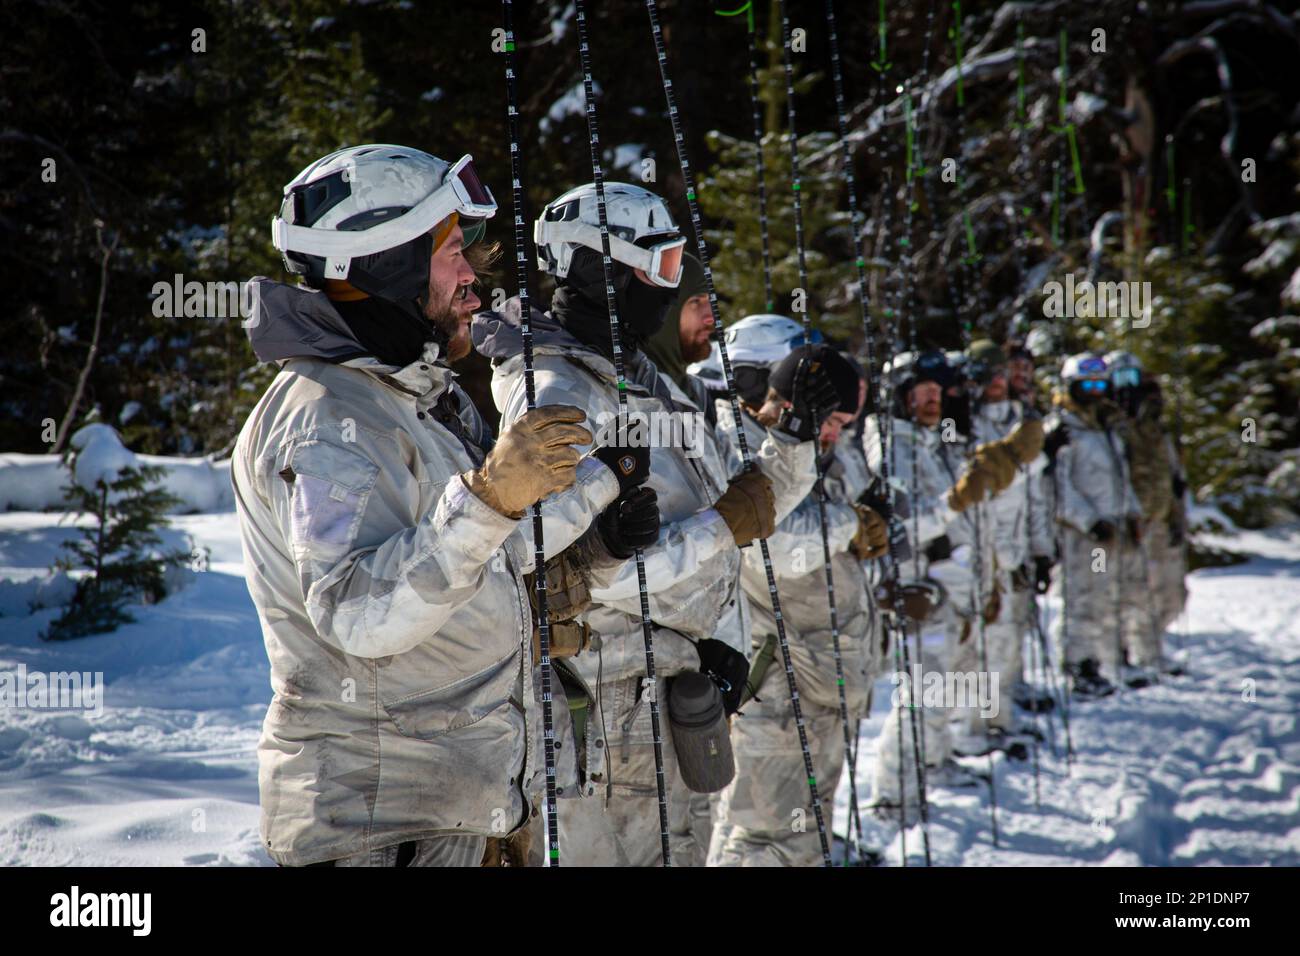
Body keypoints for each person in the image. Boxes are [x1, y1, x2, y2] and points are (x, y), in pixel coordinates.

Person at [232, 144, 647, 867]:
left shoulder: (414, 398)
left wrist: (594, 502)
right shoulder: (329, 418)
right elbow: (358, 611)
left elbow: (475, 547)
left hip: (456, 814)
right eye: (453, 251)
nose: (472, 277)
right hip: (381, 831)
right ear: (386, 263)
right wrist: (489, 499)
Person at [474, 183, 828, 865]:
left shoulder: (639, 382)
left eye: (678, 268)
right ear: (596, 270)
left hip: (662, 687)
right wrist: (721, 530)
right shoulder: (558, 392)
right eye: (657, 268)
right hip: (603, 712)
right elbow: (569, 569)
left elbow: (731, 510)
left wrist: (797, 438)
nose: (669, 290)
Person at [707, 330, 886, 866]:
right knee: (763, 839)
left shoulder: (819, 452)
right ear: (792, 402)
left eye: (845, 427)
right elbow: (774, 549)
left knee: (799, 827)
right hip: (777, 686)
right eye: (832, 421)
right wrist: (849, 523)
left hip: (821, 681)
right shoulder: (740, 445)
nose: (836, 435)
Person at [862, 350, 1039, 820]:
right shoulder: (892, 446)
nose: (931, 399)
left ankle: (935, 763)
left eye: (938, 391)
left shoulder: (938, 442)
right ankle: (894, 793)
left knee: (944, 691)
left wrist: (987, 580)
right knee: (921, 696)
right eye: (920, 390)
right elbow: (899, 527)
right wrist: (953, 502)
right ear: (899, 395)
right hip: (920, 593)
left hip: (956, 592)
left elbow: (972, 514)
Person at [952, 340, 1055, 755]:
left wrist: (1040, 550)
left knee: (1005, 641)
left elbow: (1035, 496)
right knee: (973, 646)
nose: (995, 384)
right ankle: (967, 728)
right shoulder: (961, 422)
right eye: (986, 376)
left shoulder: (1022, 421)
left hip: (1012, 552)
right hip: (975, 552)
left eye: (1001, 376)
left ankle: (998, 719)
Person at [1045, 351, 1144, 698]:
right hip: (1085, 534)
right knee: (1083, 597)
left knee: (1110, 595)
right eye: (1085, 385)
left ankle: (1109, 658)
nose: (1094, 391)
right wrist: (1090, 521)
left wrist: (1132, 513)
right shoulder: (1063, 429)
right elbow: (1059, 487)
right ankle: (1078, 663)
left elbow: (1120, 477)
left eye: (1099, 384)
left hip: (1114, 527)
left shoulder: (1106, 427)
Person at [1106, 350, 1188, 683]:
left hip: (1161, 514)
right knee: (1129, 591)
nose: (1127, 387)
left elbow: (1172, 472)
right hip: (1128, 519)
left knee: (1171, 592)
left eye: (1132, 378)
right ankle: (1124, 652)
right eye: (1119, 379)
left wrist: (1177, 517)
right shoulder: (1109, 422)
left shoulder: (1155, 420)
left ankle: (1151, 649)